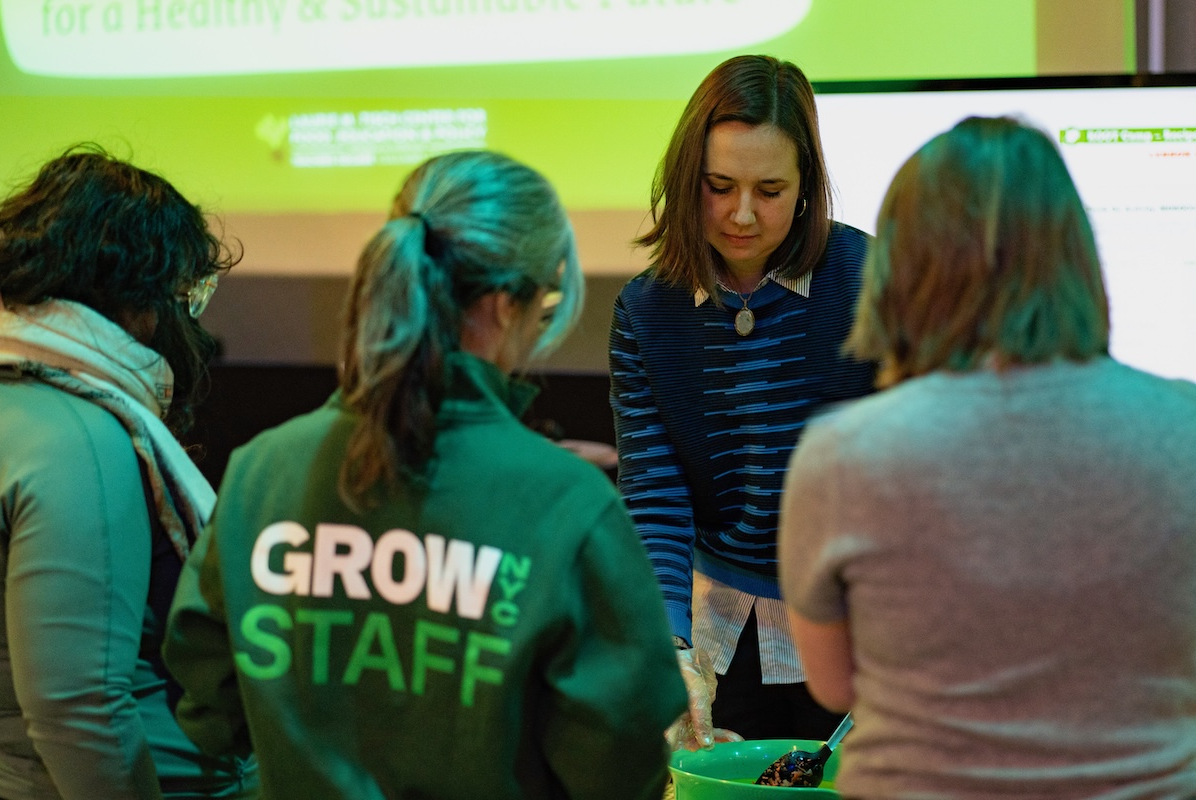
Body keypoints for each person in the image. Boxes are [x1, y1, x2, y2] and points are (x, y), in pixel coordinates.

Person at [161, 150, 688, 799]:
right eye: (545, 302)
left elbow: (209, 707)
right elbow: (619, 764)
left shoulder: (260, 472)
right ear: (504, 303)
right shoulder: (568, 506)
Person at [779, 116, 1196, 798]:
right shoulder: (1186, 426)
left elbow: (834, 686)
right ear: (1074, 255)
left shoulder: (842, 456)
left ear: (904, 267)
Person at [608, 54, 875, 749]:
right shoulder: (647, 311)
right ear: (685, 177)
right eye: (719, 186)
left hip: (859, 620)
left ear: (808, 186)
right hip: (722, 623)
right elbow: (656, 493)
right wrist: (669, 643)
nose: (742, 215)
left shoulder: (873, 282)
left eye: (771, 189)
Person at [0, 145, 257, 798]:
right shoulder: (81, 437)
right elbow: (78, 707)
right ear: (139, 293)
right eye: (187, 295)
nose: (189, 322)